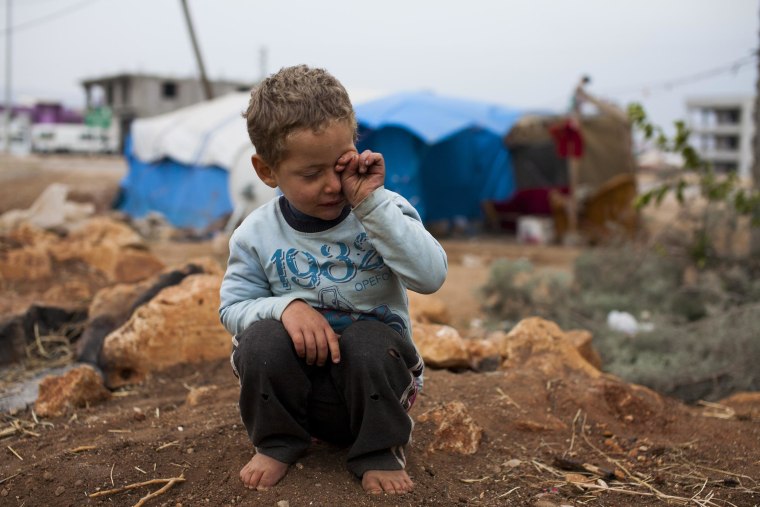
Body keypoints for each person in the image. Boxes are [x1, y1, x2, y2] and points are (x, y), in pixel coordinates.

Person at [219, 65, 448, 495]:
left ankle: (379, 449)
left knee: (368, 340)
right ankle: (278, 441)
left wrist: (372, 208)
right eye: (310, 174)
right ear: (267, 171)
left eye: (340, 164)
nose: (332, 185)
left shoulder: (382, 210)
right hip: (297, 396)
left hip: (378, 386)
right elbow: (232, 309)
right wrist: (284, 307)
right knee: (260, 340)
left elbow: (431, 276)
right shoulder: (255, 234)